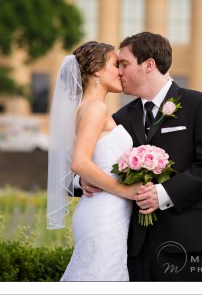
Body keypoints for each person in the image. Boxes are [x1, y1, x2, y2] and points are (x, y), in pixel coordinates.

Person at [78, 32, 202, 281]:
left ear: (148, 65)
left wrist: (163, 194)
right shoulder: (120, 118)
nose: (119, 72)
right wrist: (81, 181)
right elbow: (89, 161)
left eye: (124, 64)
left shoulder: (200, 105)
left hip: (188, 245)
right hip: (133, 249)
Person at [47, 41, 143, 281]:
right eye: (115, 64)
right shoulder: (95, 108)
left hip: (106, 210)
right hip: (104, 213)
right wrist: (127, 191)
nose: (121, 71)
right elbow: (79, 162)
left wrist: (83, 180)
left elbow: (90, 160)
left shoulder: (88, 107)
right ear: (97, 71)